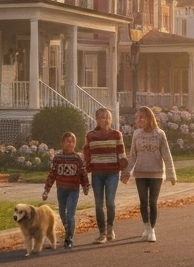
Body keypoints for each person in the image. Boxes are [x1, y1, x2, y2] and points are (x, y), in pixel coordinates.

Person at [121, 106, 176, 242]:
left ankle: (152, 229)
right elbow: (133, 155)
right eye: (137, 117)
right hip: (140, 173)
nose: (138, 119)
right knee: (143, 201)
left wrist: (171, 175)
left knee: (153, 201)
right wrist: (127, 172)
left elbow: (167, 155)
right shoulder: (136, 134)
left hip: (156, 173)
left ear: (149, 118)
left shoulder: (159, 134)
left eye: (141, 117)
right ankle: (147, 227)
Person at [83, 107, 127, 244]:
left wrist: (124, 170)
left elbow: (121, 153)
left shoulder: (116, 134)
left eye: (108, 117)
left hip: (112, 173)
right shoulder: (90, 135)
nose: (105, 120)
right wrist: (86, 170)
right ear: (97, 119)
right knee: (98, 204)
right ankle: (101, 233)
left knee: (110, 203)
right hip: (97, 173)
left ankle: (110, 229)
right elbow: (86, 154)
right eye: (102, 117)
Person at [43, 131, 90, 249]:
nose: (70, 144)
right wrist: (46, 190)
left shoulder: (77, 158)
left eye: (72, 141)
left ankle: (69, 238)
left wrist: (85, 186)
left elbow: (82, 173)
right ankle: (68, 229)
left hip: (73, 190)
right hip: (61, 189)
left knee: (70, 214)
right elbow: (52, 174)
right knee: (62, 214)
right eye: (67, 141)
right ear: (62, 143)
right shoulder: (57, 158)